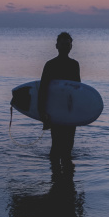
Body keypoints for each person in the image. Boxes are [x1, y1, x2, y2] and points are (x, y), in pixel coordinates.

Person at [38, 32, 80, 160]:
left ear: (71, 46)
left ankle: (67, 178)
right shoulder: (50, 65)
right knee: (56, 145)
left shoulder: (74, 65)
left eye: (68, 44)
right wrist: (42, 112)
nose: (65, 47)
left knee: (68, 146)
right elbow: (43, 89)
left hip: (69, 110)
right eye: (63, 44)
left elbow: (78, 89)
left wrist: (77, 112)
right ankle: (56, 177)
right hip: (54, 110)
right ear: (57, 46)